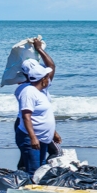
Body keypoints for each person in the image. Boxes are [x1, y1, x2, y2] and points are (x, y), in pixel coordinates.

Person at [14, 39, 60, 174]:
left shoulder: (39, 89)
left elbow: (44, 115)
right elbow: (26, 116)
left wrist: (53, 132)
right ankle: (25, 187)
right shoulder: (27, 90)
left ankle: (30, 184)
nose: (49, 78)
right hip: (30, 132)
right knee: (33, 168)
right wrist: (33, 137)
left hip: (41, 133)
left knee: (40, 166)